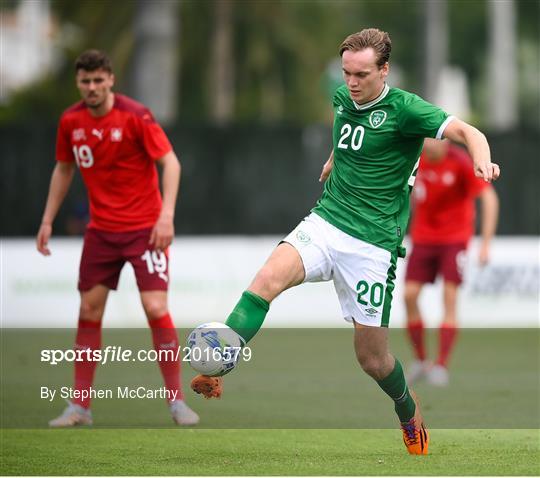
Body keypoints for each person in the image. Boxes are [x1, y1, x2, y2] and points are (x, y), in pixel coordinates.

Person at [191, 28, 500, 455]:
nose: (351, 83)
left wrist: (482, 161)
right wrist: (334, 158)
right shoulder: (342, 98)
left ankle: (408, 410)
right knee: (265, 280)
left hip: (372, 246)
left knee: (372, 360)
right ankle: (216, 369)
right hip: (326, 222)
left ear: (384, 70)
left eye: (361, 74)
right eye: (346, 73)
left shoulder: (406, 109)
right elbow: (348, 132)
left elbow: (469, 132)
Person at [36, 49, 199, 427]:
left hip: (145, 230)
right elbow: (63, 169)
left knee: (156, 308)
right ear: (78, 84)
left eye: (98, 80)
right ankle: (80, 407)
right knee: (89, 311)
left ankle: (176, 402)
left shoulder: (135, 115)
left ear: (110, 80)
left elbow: (170, 161)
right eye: (85, 82)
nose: (92, 88)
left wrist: (166, 216)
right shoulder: (70, 121)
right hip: (102, 232)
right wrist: (47, 220)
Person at [404, 138, 499, 386]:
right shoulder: (415, 158)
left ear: (445, 141)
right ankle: (422, 360)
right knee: (409, 296)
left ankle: (441, 365)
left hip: (454, 240)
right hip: (423, 238)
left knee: (449, 297)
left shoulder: (460, 161)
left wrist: (486, 244)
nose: (428, 144)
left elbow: (489, 199)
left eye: (433, 138)